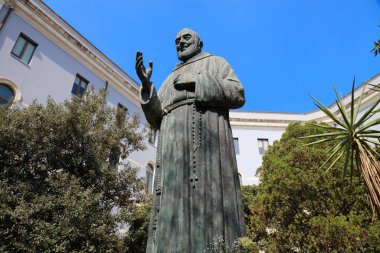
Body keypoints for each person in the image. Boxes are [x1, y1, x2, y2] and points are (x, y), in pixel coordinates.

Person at [136, 28, 245, 253]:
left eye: (186, 38)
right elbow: (156, 118)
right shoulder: (168, 79)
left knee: (206, 208)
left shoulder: (216, 63)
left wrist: (196, 81)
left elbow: (237, 94)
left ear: (200, 42)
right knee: (171, 209)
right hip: (172, 152)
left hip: (205, 148)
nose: (180, 43)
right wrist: (147, 88)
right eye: (176, 40)